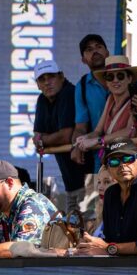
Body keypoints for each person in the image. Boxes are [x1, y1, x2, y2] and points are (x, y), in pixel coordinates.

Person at [71, 35, 137, 175]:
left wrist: (97, 141)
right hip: (110, 162)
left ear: (129, 78)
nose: (115, 81)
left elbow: (129, 131)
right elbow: (97, 130)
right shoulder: (109, 100)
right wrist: (82, 140)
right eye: (110, 77)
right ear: (106, 81)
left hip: (134, 164)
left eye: (120, 76)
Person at [75, 139, 137, 256]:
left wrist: (109, 248)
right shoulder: (110, 194)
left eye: (128, 159)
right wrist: (90, 246)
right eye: (114, 161)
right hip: (117, 268)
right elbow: (110, 241)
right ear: (108, 168)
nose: (122, 165)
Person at [31, 60, 85, 211]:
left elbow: (66, 136)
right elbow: (37, 137)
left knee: (86, 229)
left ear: (61, 77)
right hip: (71, 181)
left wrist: (44, 139)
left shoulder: (68, 93)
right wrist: (42, 139)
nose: (47, 82)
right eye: (42, 79)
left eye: (51, 77)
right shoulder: (42, 99)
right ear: (37, 85)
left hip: (89, 180)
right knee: (74, 228)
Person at [88, 166, 116, 238]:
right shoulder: (101, 212)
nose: (100, 187)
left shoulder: (126, 216)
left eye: (107, 182)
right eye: (99, 182)